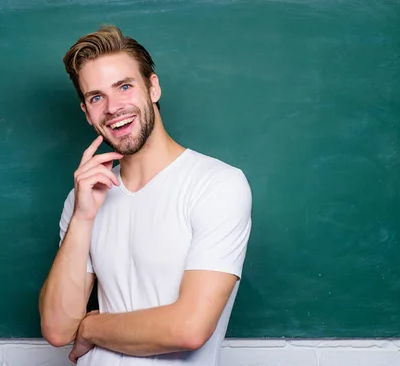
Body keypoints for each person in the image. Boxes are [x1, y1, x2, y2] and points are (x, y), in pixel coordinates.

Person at [38, 24, 252, 365]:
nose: (113, 107)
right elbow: (58, 330)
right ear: (86, 112)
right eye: (96, 97)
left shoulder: (217, 184)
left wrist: (91, 327)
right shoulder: (83, 198)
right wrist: (82, 217)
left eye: (124, 86)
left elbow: (188, 329)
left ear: (153, 87)